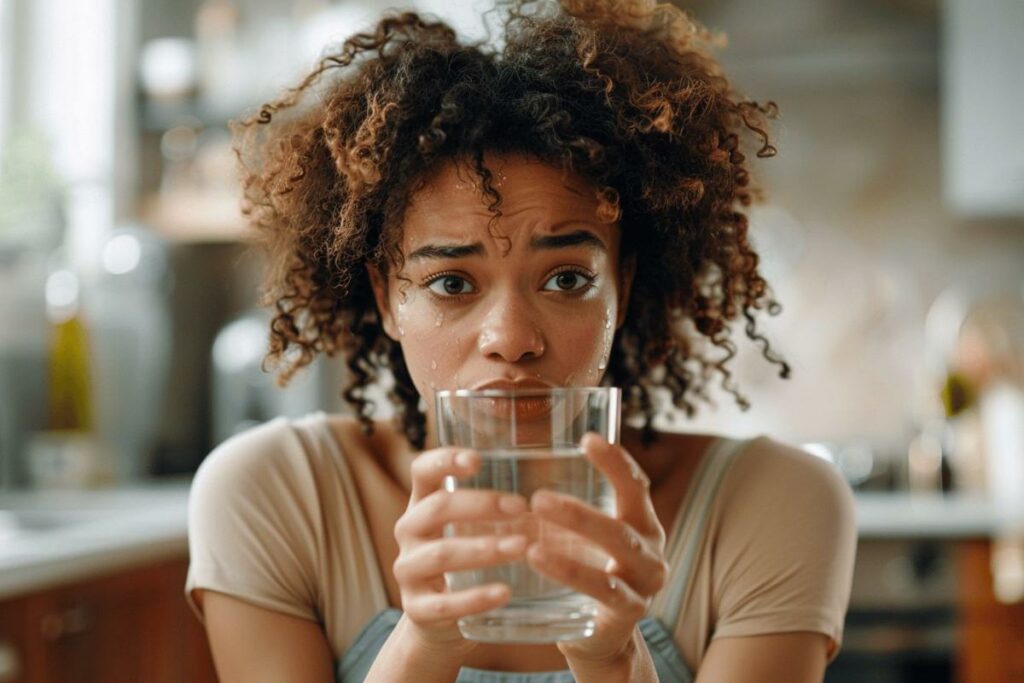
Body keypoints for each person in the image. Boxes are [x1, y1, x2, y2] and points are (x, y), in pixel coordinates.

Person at [184, 1, 856, 681]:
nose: (511, 338)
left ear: (621, 286)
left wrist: (611, 657)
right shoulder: (272, 495)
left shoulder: (775, 501)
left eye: (566, 278)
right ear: (387, 298)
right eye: (451, 282)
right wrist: (426, 639)